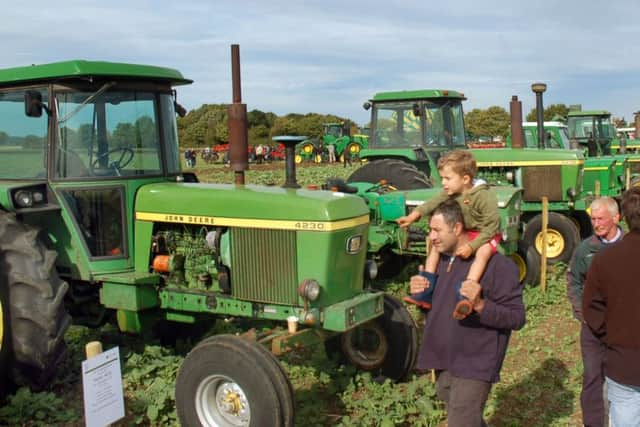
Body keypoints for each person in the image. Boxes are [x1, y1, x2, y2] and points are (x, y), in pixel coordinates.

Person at [412, 199, 525, 427]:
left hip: (475, 361)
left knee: (461, 421)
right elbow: (434, 309)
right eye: (430, 230)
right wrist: (419, 293)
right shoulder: (441, 261)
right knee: (456, 407)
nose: (431, 237)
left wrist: (481, 305)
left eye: (437, 230)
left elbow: (516, 317)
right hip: (445, 358)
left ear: (457, 228)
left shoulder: (498, 266)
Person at [396, 150, 500, 318]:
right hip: (466, 231)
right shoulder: (452, 190)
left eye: (447, 178)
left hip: (486, 233)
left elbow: (493, 225)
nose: (443, 183)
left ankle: (465, 296)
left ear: (465, 179)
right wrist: (413, 216)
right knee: (435, 247)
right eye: (442, 178)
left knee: (483, 253)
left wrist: (472, 245)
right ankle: (426, 290)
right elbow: (433, 202)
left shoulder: (483, 195)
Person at [584, 187, 640, 427]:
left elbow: (592, 308)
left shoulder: (605, 259)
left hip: (623, 361)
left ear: (624, 216)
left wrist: (613, 336)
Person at [567, 197, 622, 427]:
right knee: (592, 376)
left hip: (622, 328)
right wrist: (584, 315)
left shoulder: (629, 246)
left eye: (601, 219)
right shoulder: (586, 249)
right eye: (593, 218)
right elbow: (573, 281)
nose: (596, 223)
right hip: (592, 327)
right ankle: (593, 423)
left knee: (622, 377)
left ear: (616, 218)